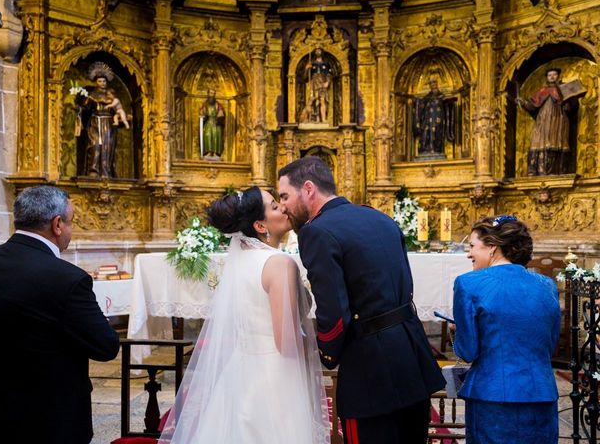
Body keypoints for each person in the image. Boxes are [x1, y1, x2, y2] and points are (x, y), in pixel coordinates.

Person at [278, 156, 445, 444]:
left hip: (370, 368)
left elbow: (334, 312)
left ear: (308, 189)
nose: (283, 207)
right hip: (411, 354)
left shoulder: (316, 232)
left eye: (284, 196)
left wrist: (326, 352)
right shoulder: (379, 217)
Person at [158, 187, 330, 444]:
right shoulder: (279, 264)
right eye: (274, 206)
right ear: (260, 225)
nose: (283, 208)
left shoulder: (239, 262)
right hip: (275, 374)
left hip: (240, 370)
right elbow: (286, 342)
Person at [0, 185, 120, 444]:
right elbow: (106, 346)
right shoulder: (67, 279)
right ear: (57, 224)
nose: (70, 230)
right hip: (46, 421)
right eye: (71, 222)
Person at [452, 215, 560, 444]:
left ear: (492, 247)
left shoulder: (468, 283)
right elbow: (549, 343)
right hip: (540, 393)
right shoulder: (546, 285)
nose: (469, 253)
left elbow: (468, 351)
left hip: (492, 396)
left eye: (472, 246)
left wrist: (457, 330)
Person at [516, 68, 572, 176]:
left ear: (558, 76)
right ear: (546, 77)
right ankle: (538, 170)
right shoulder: (542, 91)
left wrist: (568, 104)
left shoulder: (563, 89)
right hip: (543, 120)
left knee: (556, 141)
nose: (551, 77)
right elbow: (532, 105)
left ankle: (555, 170)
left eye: (554, 74)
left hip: (558, 119)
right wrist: (522, 102)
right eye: (549, 75)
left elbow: (571, 105)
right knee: (539, 140)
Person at [78, 61, 129, 177]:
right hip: (95, 122)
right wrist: (79, 110)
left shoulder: (111, 95)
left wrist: (122, 117)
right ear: (96, 82)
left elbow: (117, 108)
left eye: (104, 81)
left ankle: (106, 171)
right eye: (100, 81)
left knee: (107, 146)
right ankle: (93, 170)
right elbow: (85, 109)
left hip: (108, 123)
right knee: (95, 145)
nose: (102, 83)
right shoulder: (91, 95)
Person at [414, 78, 455, 156]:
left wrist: (449, 103)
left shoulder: (441, 96)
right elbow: (421, 105)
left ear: (436, 85)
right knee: (426, 133)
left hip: (438, 119)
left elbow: (447, 106)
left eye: (434, 83)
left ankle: (437, 149)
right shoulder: (427, 97)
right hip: (427, 120)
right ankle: (426, 149)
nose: (433, 85)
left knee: (437, 133)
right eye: (431, 84)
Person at [301, 47, 330, 124]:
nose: (318, 52)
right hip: (314, 83)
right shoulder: (311, 63)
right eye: (316, 51)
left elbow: (329, 74)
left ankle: (323, 118)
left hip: (322, 82)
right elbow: (305, 78)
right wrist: (306, 69)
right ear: (314, 52)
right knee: (314, 100)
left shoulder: (326, 63)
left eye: (319, 50)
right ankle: (316, 118)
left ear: (322, 52)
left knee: (322, 100)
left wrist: (328, 82)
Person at [199, 88, 226, 158]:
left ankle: (215, 153)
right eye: (211, 93)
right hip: (208, 122)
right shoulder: (205, 104)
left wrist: (220, 114)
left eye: (214, 93)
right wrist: (203, 114)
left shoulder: (218, 104)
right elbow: (201, 113)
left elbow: (221, 112)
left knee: (216, 136)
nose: (212, 95)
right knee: (208, 135)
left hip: (216, 122)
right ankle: (208, 152)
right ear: (208, 94)